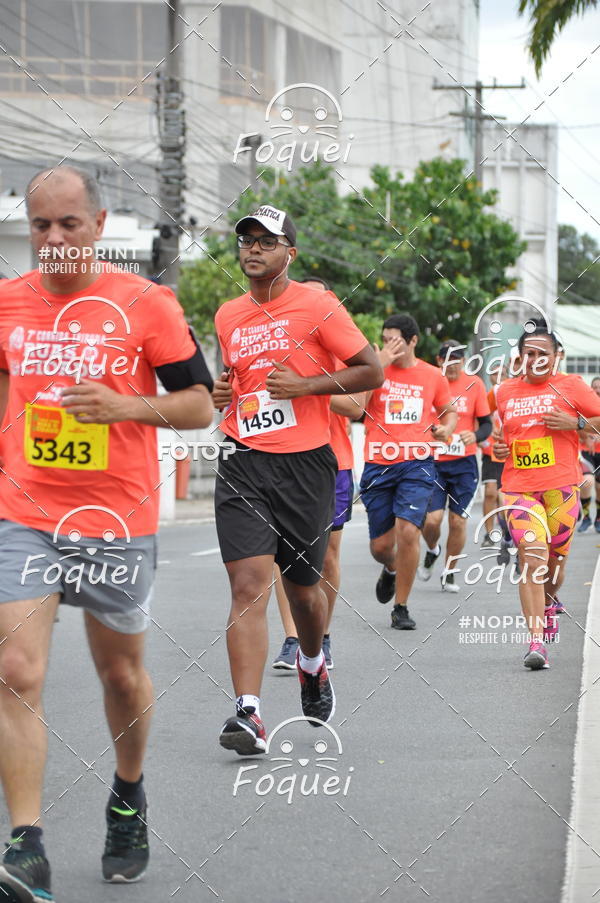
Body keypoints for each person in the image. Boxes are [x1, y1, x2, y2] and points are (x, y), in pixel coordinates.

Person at [0, 166, 214, 901]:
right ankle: (26, 846)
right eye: (40, 225)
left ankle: (128, 793)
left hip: (114, 521)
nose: (54, 238)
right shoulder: (8, 302)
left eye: (68, 223)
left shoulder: (146, 303)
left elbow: (199, 404)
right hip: (25, 513)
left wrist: (126, 406)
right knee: (16, 669)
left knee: (120, 675)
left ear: (98, 224)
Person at [212, 205, 382, 755]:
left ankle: (312, 662)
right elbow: (237, 379)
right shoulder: (227, 315)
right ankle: (249, 714)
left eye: (267, 241)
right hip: (243, 458)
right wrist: (223, 393)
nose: (254, 249)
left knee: (304, 592)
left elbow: (371, 370)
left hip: (306, 463)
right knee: (247, 585)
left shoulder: (317, 304)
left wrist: (307, 386)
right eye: (247, 240)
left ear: (290, 252)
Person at [270, 276, 365, 671]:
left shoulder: (344, 347)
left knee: (326, 557)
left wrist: (307, 386)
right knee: (284, 556)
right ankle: (293, 638)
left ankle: (321, 636)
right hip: (282, 460)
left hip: (333, 463)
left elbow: (357, 406)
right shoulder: (275, 345)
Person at [493, 324, 600, 669]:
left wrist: (576, 424)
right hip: (519, 488)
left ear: (557, 357)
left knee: (554, 565)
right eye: (529, 354)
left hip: (562, 488)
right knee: (533, 558)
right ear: (520, 356)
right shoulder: (504, 392)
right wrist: (499, 448)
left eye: (543, 354)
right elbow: (503, 439)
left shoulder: (572, 386)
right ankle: (536, 643)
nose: (536, 359)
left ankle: (550, 600)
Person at [359, 314, 457, 630]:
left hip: (417, 463)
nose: (390, 345)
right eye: (386, 339)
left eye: (396, 340)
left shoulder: (432, 375)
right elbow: (355, 407)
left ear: (413, 341)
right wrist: (376, 367)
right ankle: (390, 567)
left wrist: (446, 429)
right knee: (381, 547)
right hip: (378, 463)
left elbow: (449, 411)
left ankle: (400, 607)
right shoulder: (374, 370)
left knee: (408, 531)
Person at [418, 341, 491, 591]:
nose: (453, 366)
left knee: (458, 522)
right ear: (439, 361)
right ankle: (432, 549)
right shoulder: (428, 382)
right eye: (448, 361)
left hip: (464, 464)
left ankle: (449, 571)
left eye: (457, 361)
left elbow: (487, 424)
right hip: (433, 462)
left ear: (464, 361)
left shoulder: (475, 384)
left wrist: (476, 436)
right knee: (432, 521)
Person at [479, 364, 508, 548]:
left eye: (501, 373)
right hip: (491, 451)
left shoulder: (511, 394)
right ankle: (489, 533)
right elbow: (480, 418)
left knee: (503, 496)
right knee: (490, 493)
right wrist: (482, 438)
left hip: (509, 451)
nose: (497, 376)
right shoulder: (489, 395)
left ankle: (506, 531)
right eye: (494, 373)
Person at [578, 376, 600, 533]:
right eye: (595, 387)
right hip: (586, 452)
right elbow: (576, 426)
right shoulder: (584, 406)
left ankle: (598, 518)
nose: (597, 390)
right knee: (587, 482)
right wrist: (587, 436)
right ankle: (586, 517)